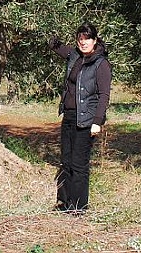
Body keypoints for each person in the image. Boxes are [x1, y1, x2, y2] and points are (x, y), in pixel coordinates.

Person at [49, 23, 112, 214]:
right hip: (68, 116)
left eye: (87, 39)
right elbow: (55, 45)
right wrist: (44, 31)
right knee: (66, 161)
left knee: (79, 164)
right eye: (80, 39)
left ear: (95, 40)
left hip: (87, 119)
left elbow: (104, 96)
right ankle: (64, 203)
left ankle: (79, 207)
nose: (83, 42)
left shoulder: (101, 64)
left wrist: (97, 122)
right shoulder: (74, 55)